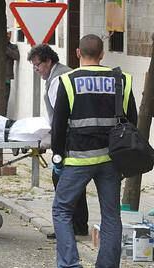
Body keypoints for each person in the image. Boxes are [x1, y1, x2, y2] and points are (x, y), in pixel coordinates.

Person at [51, 34, 137, 267]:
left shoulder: (68, 81)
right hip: (111, 160)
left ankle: (70, 264)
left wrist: (58, 159)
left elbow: (58, 125)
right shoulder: (122, 80)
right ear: (102, 55)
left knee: (61, 210)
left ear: (78, 53)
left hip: (77, 160)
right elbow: (132, 123)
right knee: (111, 216)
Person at [27, 44, 89, 237]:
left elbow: (60, 117)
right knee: (76, 184)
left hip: (68, 140)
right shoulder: (63, 75)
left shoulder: (58, 80)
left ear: (48, 61)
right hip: (76, 138)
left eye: (38, 65)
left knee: (62, 182)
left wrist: (56, 148)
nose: (36, 70)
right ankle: (79, 225)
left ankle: (69, 227)